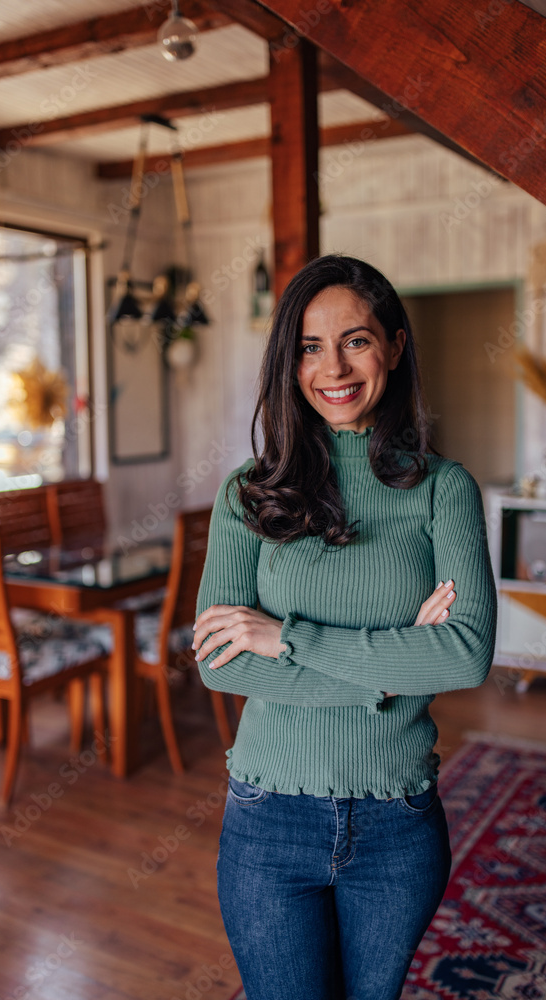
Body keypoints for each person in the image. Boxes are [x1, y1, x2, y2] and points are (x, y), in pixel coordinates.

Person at [192, 254, 497, 1000]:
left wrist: (286, 637)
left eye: (356, 340)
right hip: (269, 821)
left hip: (397, 820)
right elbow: (220, 664)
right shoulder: (247, 494)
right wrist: (393, 669)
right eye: (309, 346)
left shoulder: (443, 490)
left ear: (393, 345)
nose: (333, 366)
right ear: (287, 361)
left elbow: (463, 656)